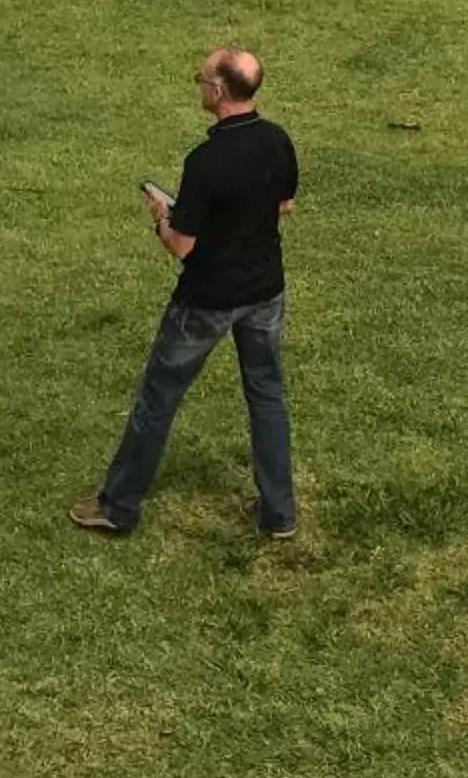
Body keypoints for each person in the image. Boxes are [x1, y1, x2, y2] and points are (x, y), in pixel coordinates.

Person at [70, 47, 300, 539]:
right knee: (266, 395)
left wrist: (162, 217)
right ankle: (279, 514)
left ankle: (118, 505)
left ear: (217, 91)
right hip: (266, 291)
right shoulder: (277, 140)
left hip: (207, 299)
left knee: (159, 396)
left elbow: (181, 246)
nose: (199, 84)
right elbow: (283, 204)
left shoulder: (207, 161)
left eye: (201, 79)